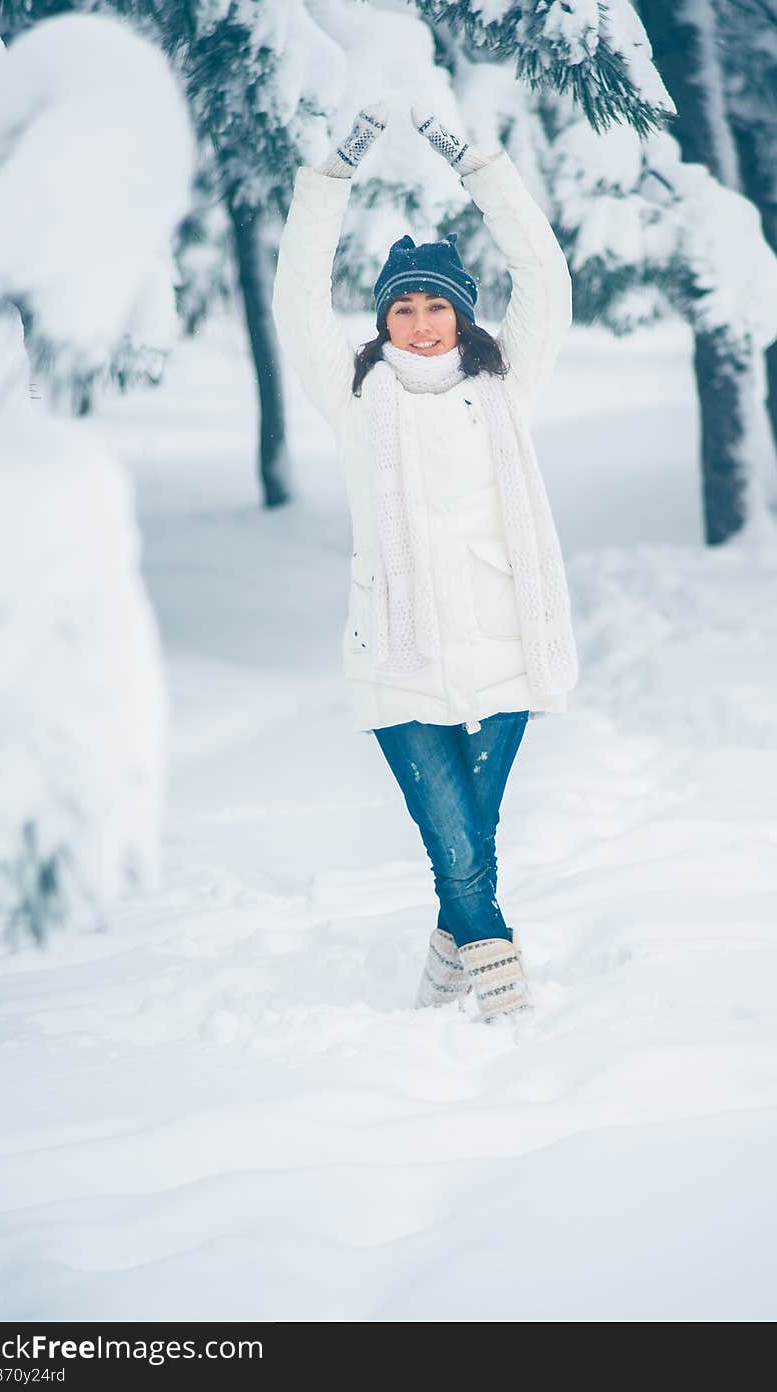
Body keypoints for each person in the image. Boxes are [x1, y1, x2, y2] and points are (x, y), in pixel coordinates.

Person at [272, 104, 578, 1023]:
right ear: (383, 317)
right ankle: (500, 987)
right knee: (455, 843)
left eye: (433, 304)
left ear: (461, 312)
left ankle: (450, 960)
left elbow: (545, 272)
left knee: (469, 837)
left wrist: (477, 161)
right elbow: (296, 294)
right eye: (401, 306)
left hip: (503, 648)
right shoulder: (354, 393)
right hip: (395, 656)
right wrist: (332, 173)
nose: (417, 323)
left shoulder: (505, 385)